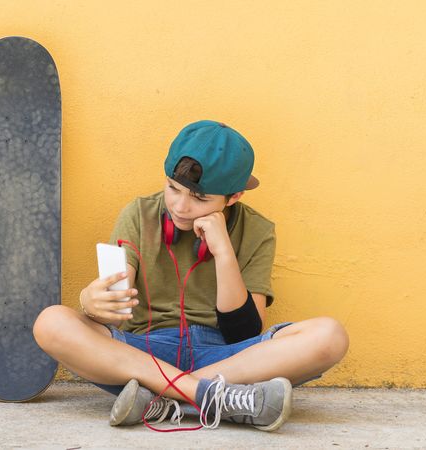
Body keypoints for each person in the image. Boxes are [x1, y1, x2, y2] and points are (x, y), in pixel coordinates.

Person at [33, 120, 349, 431]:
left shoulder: (258, 230)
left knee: (330, 336)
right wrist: (92, 302)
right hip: (144, 351)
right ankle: (211, 397)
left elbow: (245, 332)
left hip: (227, 358)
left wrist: (223, 251)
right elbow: (115, 307)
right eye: (173, 188)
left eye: (199, 199)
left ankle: (164, 400)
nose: (181, 207)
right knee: (50, 322)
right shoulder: (139, 214)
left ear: (234, 197)